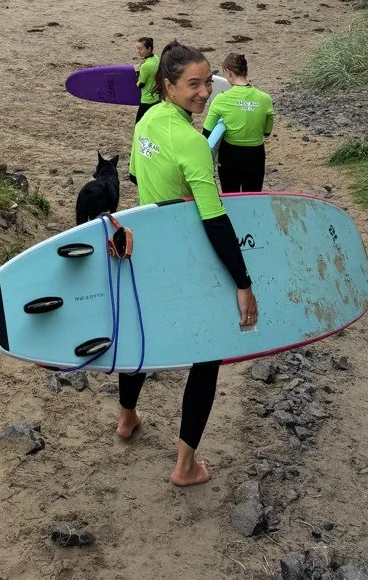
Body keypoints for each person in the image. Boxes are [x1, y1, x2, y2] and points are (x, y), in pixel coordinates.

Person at [125, 41, 258, 487]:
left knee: (140, 342)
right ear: (168, 85)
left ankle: (127, 418)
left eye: (207, 83)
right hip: (187, 259)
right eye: (193, 85)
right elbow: (215, 220)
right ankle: (184, 466)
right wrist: (243, 282)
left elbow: (134, 175)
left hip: (148, 252)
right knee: (206, 356)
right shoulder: (194, 143)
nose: (204, 93)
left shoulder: (145, 121)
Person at [202, 53, 274, 193]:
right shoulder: (265, 99)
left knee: (231, 196)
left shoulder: (221, 99)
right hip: (255, 155)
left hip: (230, 155)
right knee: (252, 197)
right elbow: (267, 132)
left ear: (228, 72)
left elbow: (206, 132)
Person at [134, 36, 159, 122]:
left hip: (147, 100)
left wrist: (137, 71)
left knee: (139, 123)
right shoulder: (156, 58)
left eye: (140, 49)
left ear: (149, 49)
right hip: (157, 97)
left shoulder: (146, 66)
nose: (138, 52)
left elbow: (140, 84)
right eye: (137, 49)